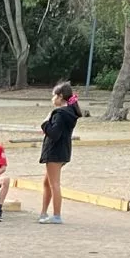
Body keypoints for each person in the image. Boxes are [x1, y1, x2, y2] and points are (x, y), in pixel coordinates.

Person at [38, 83, 83, 225]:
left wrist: (45, 123)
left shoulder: (60, 114)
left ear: (60, 96)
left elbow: (54, 134)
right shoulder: (69, 112)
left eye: (54, 96)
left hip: (55, 152)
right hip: (63, 150)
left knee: (54, 184)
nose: (52, 99)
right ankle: (43, 213)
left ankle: (57, 215)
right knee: (47, 182)